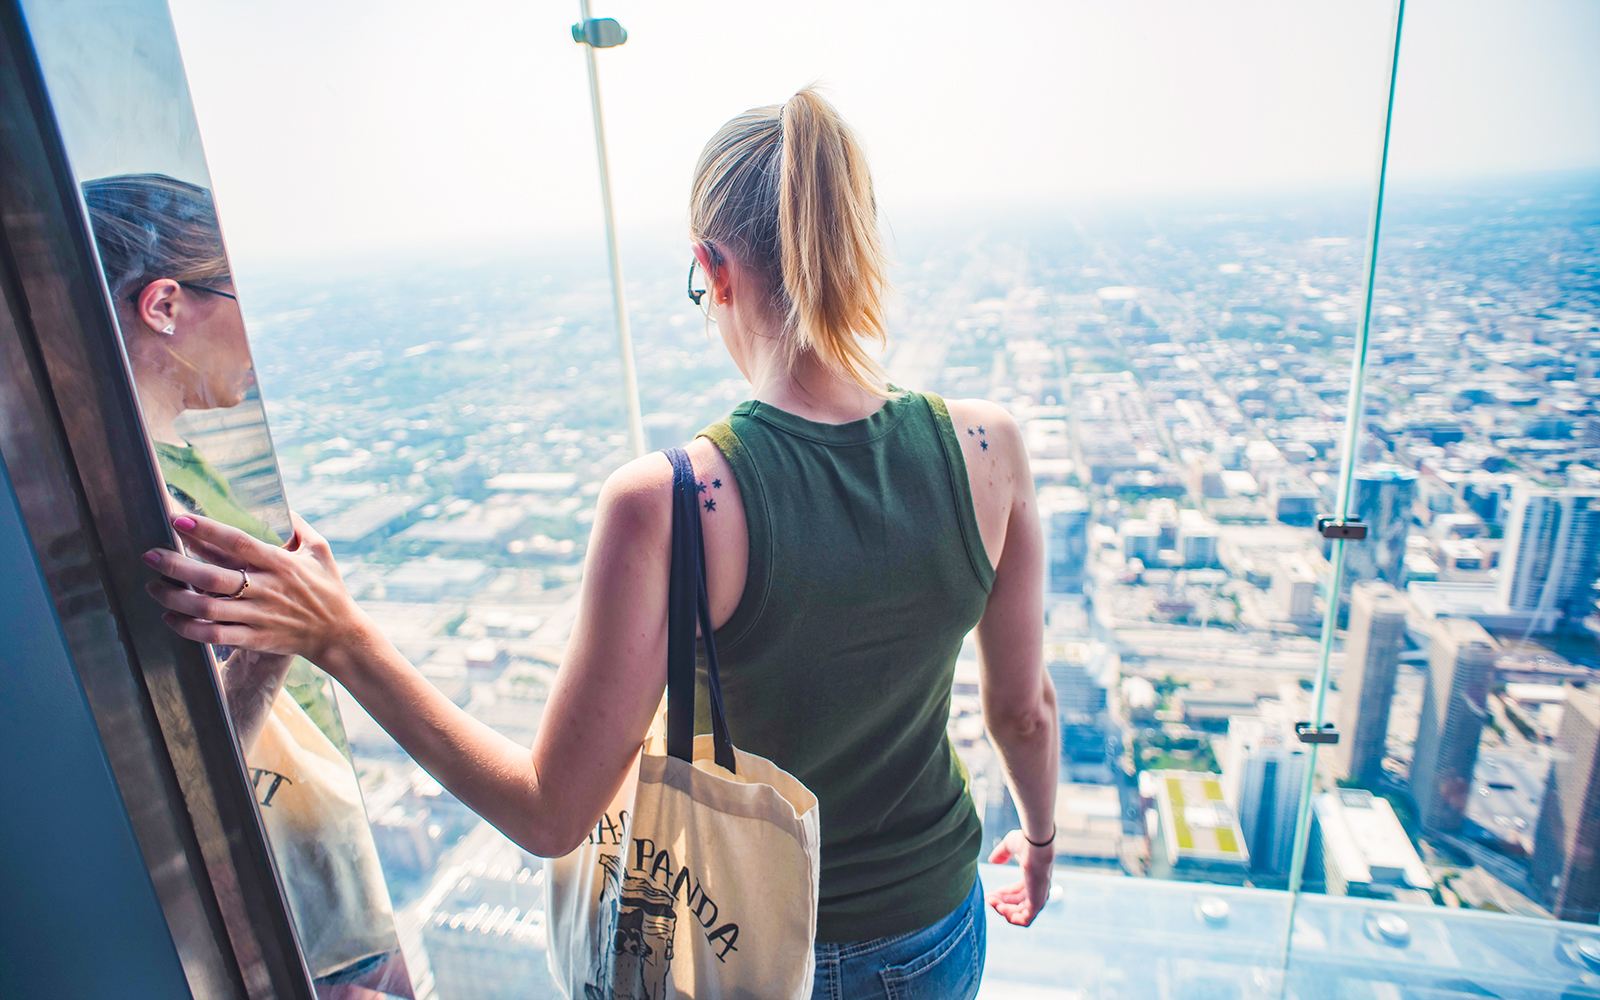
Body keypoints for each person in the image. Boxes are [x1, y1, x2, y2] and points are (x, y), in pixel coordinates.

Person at [143, 89, 1058, 1000]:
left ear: (715, 266)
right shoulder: (988, 447)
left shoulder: (674, 499)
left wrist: (341, 638)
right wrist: (1043, 842)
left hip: (768, 960)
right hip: (944, 928)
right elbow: (1023, 710)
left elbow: (552, 813)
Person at [87, 174, 413, 1000]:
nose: (262, 335)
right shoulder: (138, 517)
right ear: (163, 306)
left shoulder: (163, 482)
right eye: (245, 298)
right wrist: (287, 639)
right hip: (288, 929)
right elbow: (165, 786)